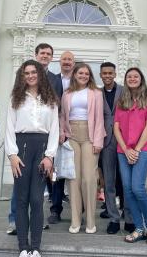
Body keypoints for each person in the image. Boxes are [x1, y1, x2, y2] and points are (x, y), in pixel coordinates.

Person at [5, 60, 59, 257]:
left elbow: (55, 128)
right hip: (21, 148)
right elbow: (9, 127)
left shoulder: (50, 98)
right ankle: (23, 247)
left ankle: (35, 247)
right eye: (26, 73)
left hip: (42, 148)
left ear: (40, 74)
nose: (30, 76)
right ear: (22, 76)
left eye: (33, 72)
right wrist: (12, 155)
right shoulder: (15, 98)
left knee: (37, 199)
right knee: (21, 199)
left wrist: (49, 156)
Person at [114, 67, 147, 244]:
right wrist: (126, 149)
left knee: (137, 188)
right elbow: (116, 127)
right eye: (129, 76)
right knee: (127, 189)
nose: (132, 79)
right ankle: (138, 228)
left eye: (136, 76)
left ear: (141, 79)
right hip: (123, 150)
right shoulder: (122, 100)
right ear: (126, 80)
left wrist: (137, 149)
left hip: (144, 148)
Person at [59, 62, 105, 234]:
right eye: (80, 73)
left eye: (86, 73)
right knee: (73, 179)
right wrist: (62, 131)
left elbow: (99, 118)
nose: (84, 76)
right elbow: (63, 116)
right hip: (72, 135)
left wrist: (98, 140)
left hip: (90, 135)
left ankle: (91, 222)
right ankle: (75, 220)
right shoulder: (67, 94)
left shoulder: (96, 93)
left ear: (89, 76)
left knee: (89, 179)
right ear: (75, 75)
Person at [99, 62, 134, 234]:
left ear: (114, 74)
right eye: (104, 73)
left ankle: (129, 218)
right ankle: (113, 218)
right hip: (106, 141)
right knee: (109, 181)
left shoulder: (125, 91)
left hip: (124, 140)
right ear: (101, 75)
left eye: (110, 73)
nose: (107, 76)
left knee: (126, 182)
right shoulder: (97, 93)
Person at [47, 50, 75, 225]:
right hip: (55, 130)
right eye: (64, 59)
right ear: (59, 61)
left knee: (75, 172)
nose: (67, 62)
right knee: (55, 172)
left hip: (77, 130)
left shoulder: (80, 79)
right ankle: (55, 208)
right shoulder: (51, 79)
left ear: (74, 62)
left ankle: (80, 211)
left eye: (70, 59)